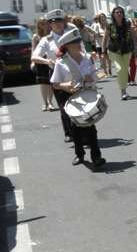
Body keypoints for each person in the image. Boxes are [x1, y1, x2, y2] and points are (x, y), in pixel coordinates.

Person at [50, 28, 106, 169]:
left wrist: (92, 78)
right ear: (67, 45)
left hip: (87, 94)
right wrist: (65, 85)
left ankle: (96, 156)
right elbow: (55, 84)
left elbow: (96, 75)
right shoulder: (61, 62)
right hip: (70, 96)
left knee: (90, 125)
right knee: (75, 128)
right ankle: (80, 154)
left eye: (79, 40)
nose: (78, 44)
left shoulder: (87, 58)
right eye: (74, 42)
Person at [32, 9, 71, 140]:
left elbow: (81, 50)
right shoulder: (46, 40)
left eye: (60, 21)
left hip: (74, 72)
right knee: (63, 105)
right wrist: (46, 60)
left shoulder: (71, 35)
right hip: (56, 74)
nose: (58, 24)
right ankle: (69, 133)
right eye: (55, 22)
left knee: (78, 102)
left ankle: (82, 132)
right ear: (50, 24)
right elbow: (34, 56)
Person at [102, 6, 135, 100]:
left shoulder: (128, 23)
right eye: (117, 12)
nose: (119, 14)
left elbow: (132, 36)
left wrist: (135, 48)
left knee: (124, 70)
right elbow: (105, 38)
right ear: (113, 14)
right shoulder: (110, 25)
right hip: (114, 51)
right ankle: (123, 91)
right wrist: (103, 51)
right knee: (120, 69)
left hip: (127, 50)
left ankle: (124, 89)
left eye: (121, 12)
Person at [31, 17, 55, 111]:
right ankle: (45, 103)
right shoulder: (36, 36)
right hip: (40, 60)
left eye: (45, 23)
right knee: (43, 83)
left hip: (50, 59)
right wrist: (33, 62)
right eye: (42, 24)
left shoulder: (51, 35)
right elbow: (33, 50)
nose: (44, 25)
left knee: (50, 83)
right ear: (39, 25)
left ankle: (50, 102)